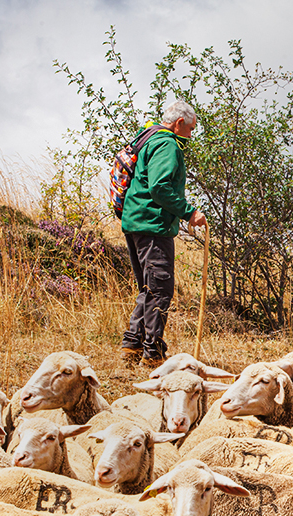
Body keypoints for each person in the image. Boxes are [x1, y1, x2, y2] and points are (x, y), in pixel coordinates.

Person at [119, 100, 208, 367]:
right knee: (160, 290)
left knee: (148, 287)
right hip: (153, 225)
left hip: (136, 222)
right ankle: (153, 353)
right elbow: (159, 188)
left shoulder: (148, 137)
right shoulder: (167, 143)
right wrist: (189, 212)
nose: (191, 135)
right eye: (191, 128)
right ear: (180, 123)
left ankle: (132, 346)